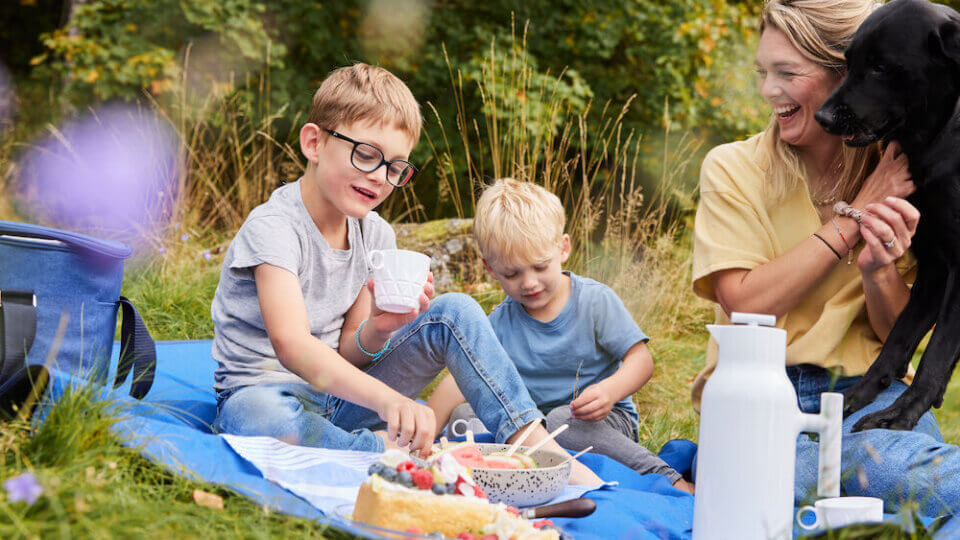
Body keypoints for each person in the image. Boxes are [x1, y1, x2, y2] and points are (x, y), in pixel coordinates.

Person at [209, 63, 600, 485]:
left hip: (340, 399)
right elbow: (292, 346)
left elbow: (348, 353)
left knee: (454, 312)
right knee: (256, 417)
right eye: (366, 154)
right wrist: (389, 400)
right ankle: (383, 450)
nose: (379, 177)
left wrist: (379, 329)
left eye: (395, 167)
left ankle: (534, 443)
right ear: (314, 142)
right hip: (266, 395)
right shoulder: (274, 227)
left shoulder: (375, 233)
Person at [692, 0, 960, 521]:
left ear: (850, 76)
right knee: (899, 479)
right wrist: (853, 218)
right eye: (763, 73)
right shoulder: (732, 168)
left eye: (787, 73)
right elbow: (746, 302)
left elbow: (897, 335)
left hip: (872, 392)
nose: (770, 90)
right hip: (765, 398)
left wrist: (878, 271)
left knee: (883, 480)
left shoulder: (904, 167)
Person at [428, 178, 693, 493]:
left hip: (598, 423)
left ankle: (670, 481)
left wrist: (610, 391)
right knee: (464, 415)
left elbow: (641, 360)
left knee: (560, 423)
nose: (529, 283)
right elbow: (460, 380)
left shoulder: (594, 301)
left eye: (540, 267)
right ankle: (495, 477)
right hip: (532, 430)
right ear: (490, 268)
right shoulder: (499, 322)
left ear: (563, 248)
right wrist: (426, 432)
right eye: (511, 274)